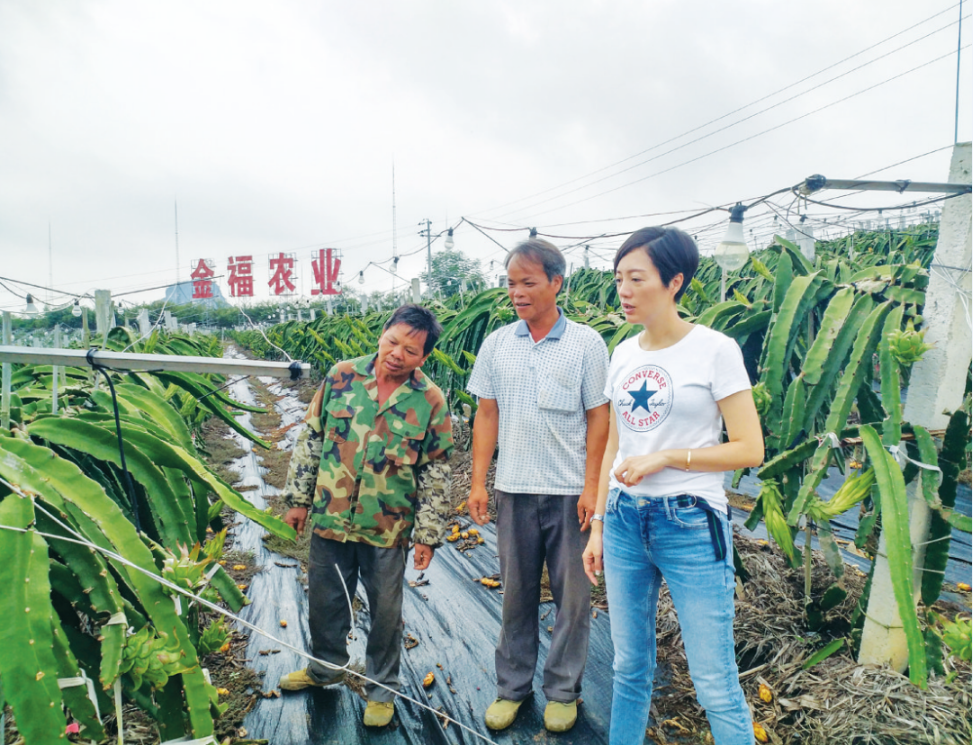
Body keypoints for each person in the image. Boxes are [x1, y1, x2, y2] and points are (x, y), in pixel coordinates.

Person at [582, 227, 764, 745]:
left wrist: (668, 457)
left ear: (675, 281)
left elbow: (749, 448)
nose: (624, 290)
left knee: (713, 680)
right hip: (621, 522)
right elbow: (614, 445)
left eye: (637, 278)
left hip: (689, 522)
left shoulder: (714, 350)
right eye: (619, 279)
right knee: (628, 667)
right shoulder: (622, 354)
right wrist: (597, 525)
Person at [278, 304, 453, 729]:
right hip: (331, 517)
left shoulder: (429, 399)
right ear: (383, 334)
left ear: (423, 358)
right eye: (392, 342)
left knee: (386, 611)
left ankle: (381, 690)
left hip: (387, 527)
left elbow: (436, 469)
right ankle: (325, 669)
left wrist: (428, 534)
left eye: (410, 350)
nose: (397, 354)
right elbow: (312, 438)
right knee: (325, 600)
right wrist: (297, 499)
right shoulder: (341, 376)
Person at [467, 238, 610, 733]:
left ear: (556, 282)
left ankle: (564, 692)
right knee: (516, 594)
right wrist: (479, 482)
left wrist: (593, 487)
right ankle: (511, 689)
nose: (517, 292)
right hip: (513, 489)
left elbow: (599, 418)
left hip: (571, 491)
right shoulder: (497, 344)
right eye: (511, 283)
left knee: (574, 598)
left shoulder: (587, 343)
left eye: (528, 282)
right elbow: (487, 414)